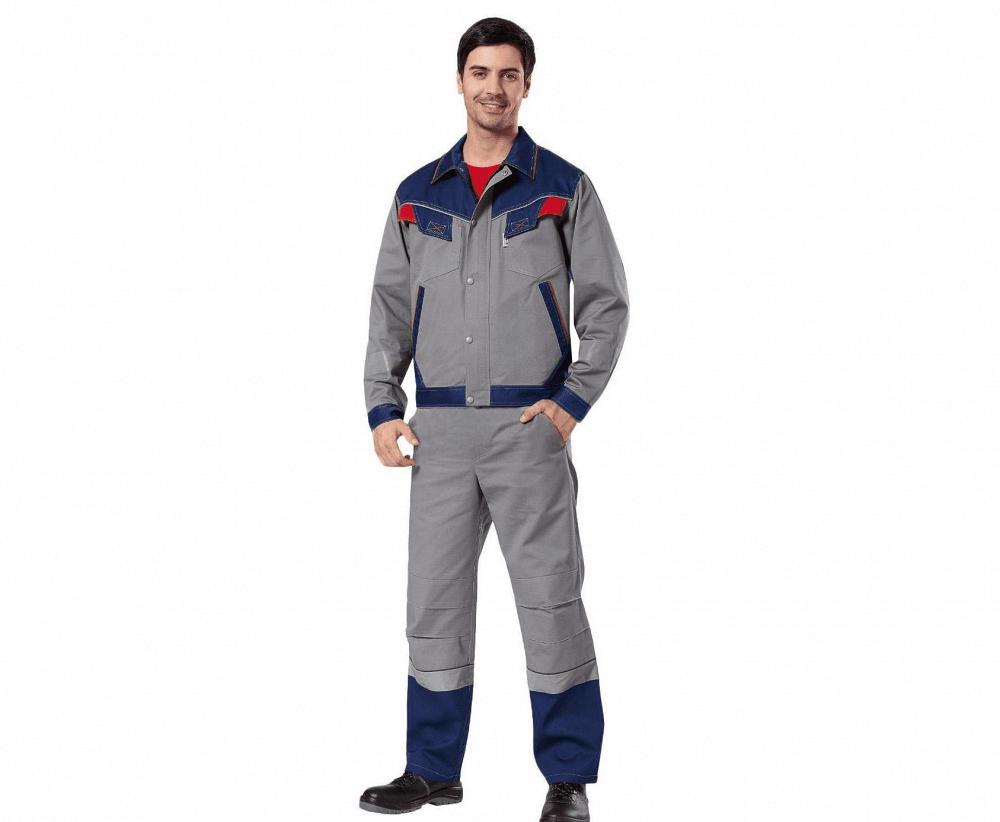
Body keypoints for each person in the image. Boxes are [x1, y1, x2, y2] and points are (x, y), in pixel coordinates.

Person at [360, 17, 629, 821]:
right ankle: (431, 770)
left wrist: (570, 405)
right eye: (480, 72)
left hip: (527, 432)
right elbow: (389, 309)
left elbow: (607, 305)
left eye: (508, 74)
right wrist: (383, 405)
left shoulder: (563, 187)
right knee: (433, 604)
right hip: (439, 435)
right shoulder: (417, 194)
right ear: (459, 81)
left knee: (550, 602)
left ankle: (568, 779)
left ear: (527, 84)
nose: (493, 87)